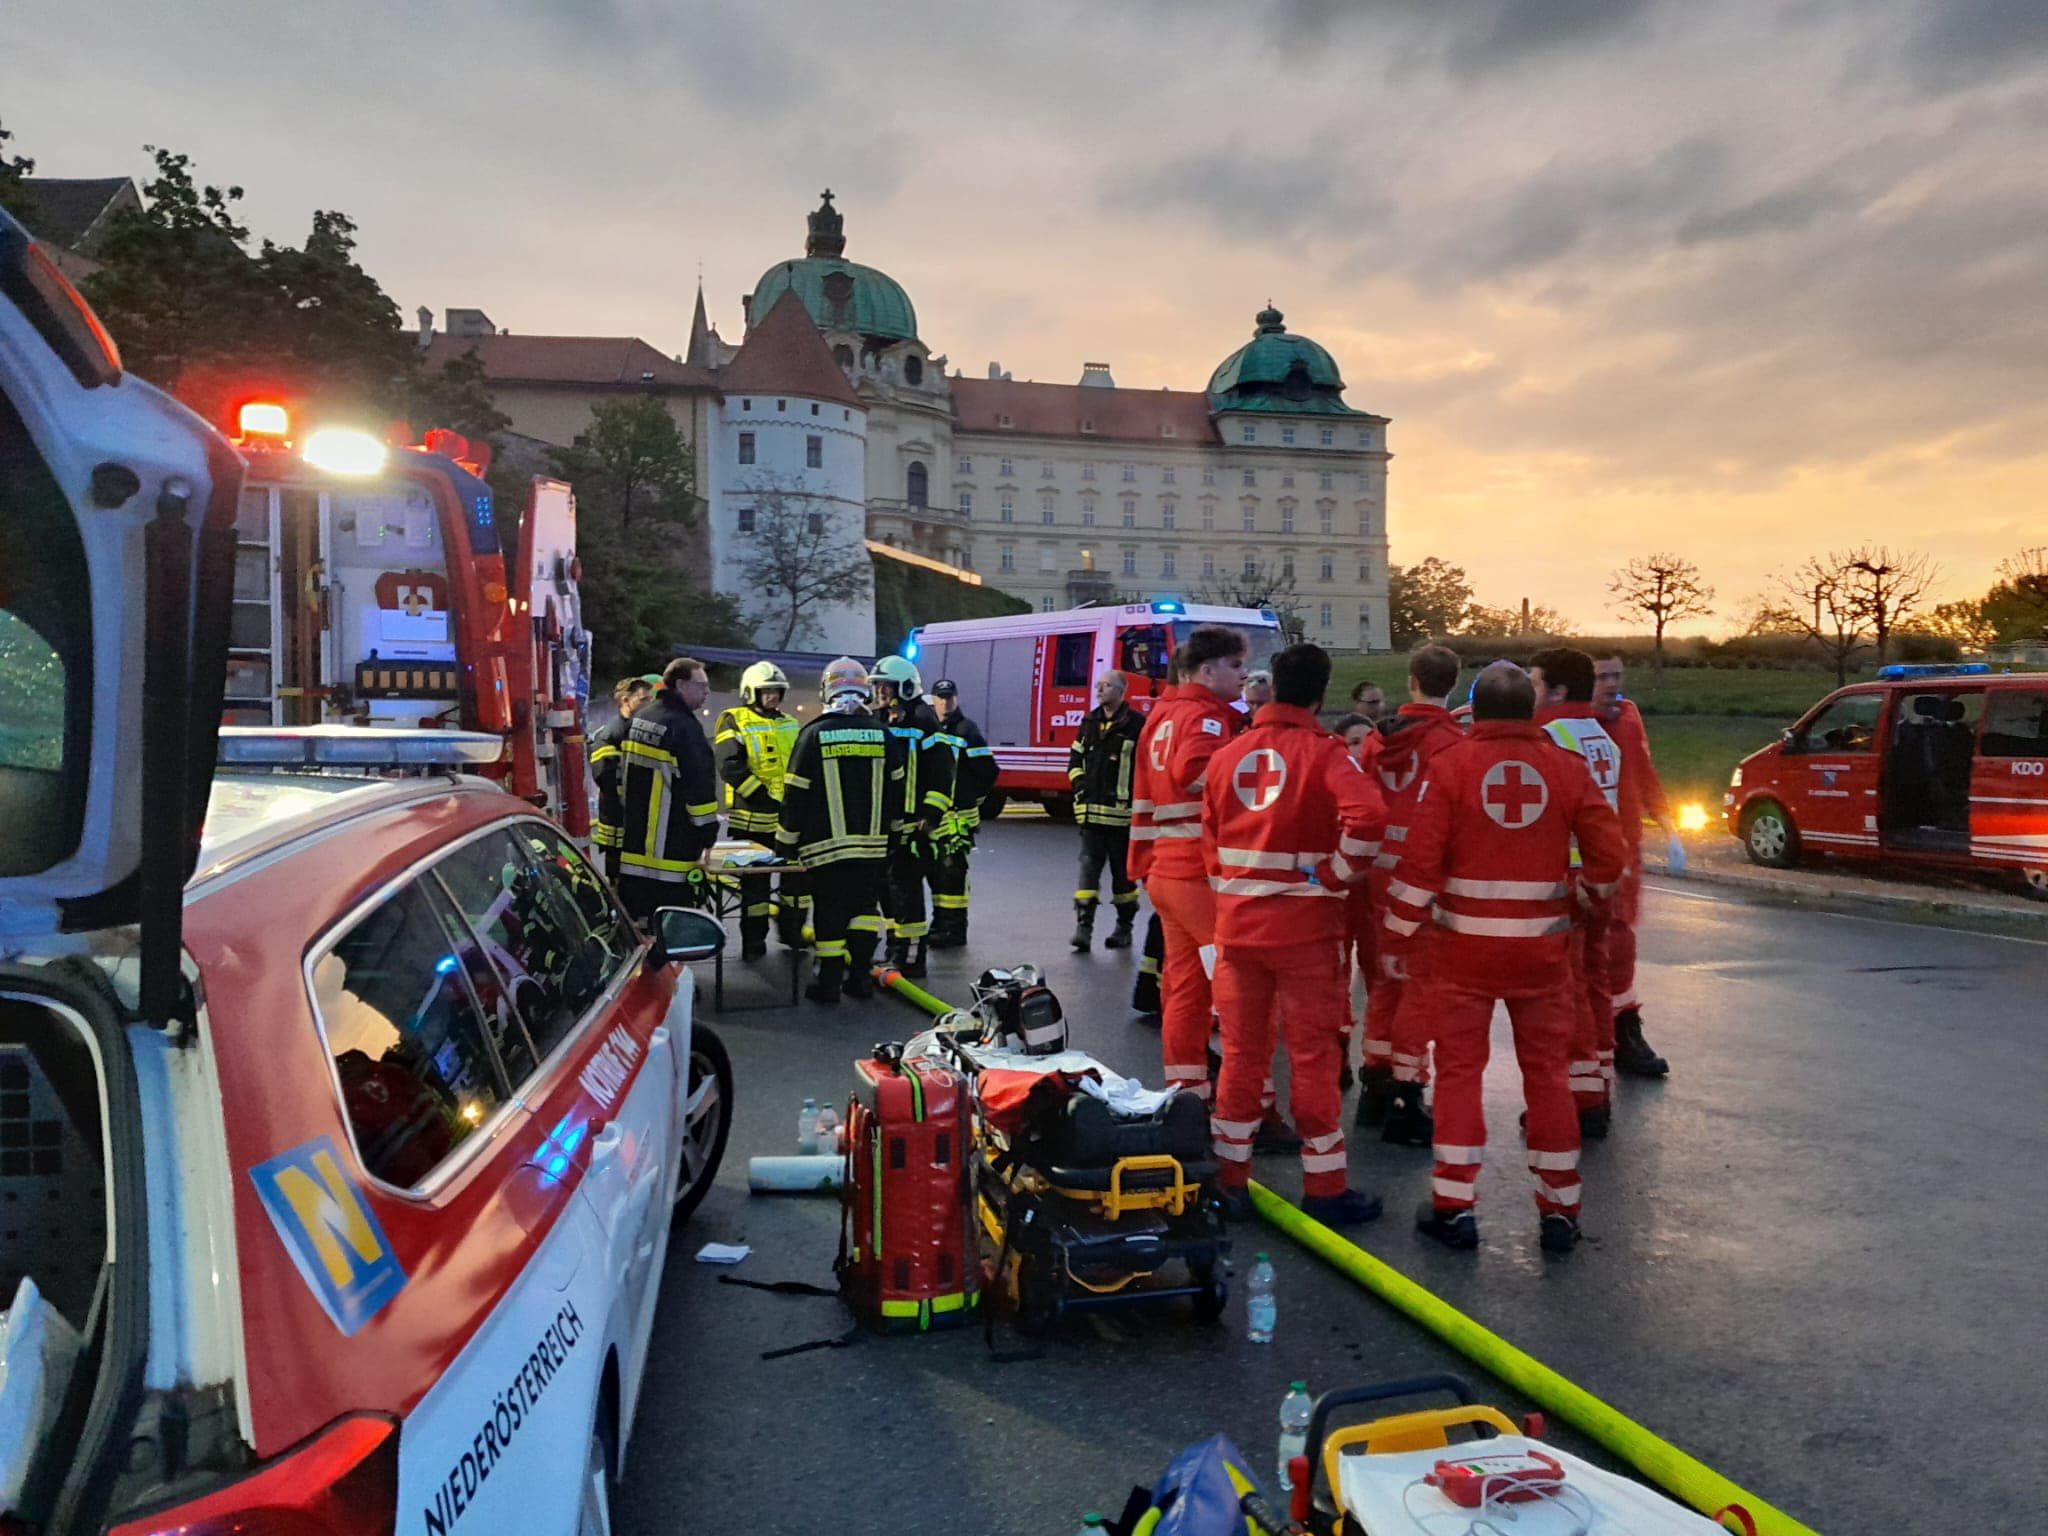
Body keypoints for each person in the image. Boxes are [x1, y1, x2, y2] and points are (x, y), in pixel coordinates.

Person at [1380, 662, 1627, 1253]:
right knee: (1547, 1077)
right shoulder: (1563, 769)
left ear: (1477, 710)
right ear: (1530, 710)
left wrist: (1397, 937)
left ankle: (1454, 1206)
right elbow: (1609, 854)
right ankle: (1560, 1209)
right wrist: (1588, 897)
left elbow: (1419, 866)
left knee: (1462, 1073)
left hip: (1461, 954)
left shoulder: (1451, 767)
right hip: (1543, 955)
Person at [1204, 643, 1388, 1225]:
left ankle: (1229, 1179)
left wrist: (1232, 889)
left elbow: (1208, 841)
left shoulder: (1228, 755)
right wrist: (1335, 874)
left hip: (1238, 932)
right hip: (1306, 932)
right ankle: (1325, 1189)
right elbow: (1370, 818)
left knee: (1240, 1055)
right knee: (1312, 1056)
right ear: (1320, 693)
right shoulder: (1327, 755)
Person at [1129, 624, 1246, 1101]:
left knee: (1184, 988)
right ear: (1206, 671)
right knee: (1237, 988)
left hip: (1165, 870)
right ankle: (1249, 1102)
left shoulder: (1161, 715)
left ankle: (1185, 1090)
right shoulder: (1208, 717)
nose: (1243, 676)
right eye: (1236, 666)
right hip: (1198, 874)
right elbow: (1195, 771)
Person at [1360, 644, 1465, 1141]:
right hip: (1422, 881)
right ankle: (1407, 1091)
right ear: (1455, 684)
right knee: (1418, 990)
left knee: (1384, 982)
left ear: (1410, 681)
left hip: (1374, 877)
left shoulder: (1376, 740)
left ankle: (1374, 1085)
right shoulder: (1450, 744)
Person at [1529, 647, 1626, 1137]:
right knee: (1596, 980)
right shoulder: (1602, 739)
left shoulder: (1551, 737)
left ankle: (1581, 1097)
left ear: (1558, 690)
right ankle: (1601, 1077)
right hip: (1599, 879)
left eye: (1537, 683)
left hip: (1564, 881)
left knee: (1564, 992)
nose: (1533, 692)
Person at [778, 657, 901, 1005]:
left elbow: (795, 794)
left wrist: (785, 843)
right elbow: (896, 791)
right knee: (865, 910)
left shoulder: (813, 734)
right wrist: (894, 838)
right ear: (864, 690)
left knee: (829, 912)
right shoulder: (882, 734)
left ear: (826, 690)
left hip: (826, 848)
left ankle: (829, 984)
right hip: (873, 848)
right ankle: (860, 978)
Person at [1593, 655, 1675, 1076]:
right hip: (1583, 854)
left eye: (1615, 676)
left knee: (1621, 944)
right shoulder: (1562, 726)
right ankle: (1598, 1038)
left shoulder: (1626, 719)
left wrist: (1666, 821)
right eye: (1600, 676)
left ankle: (1624, 1029)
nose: (1610, 684)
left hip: (1625, 849)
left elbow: (1644, 772)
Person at [870, 654, 957, 980]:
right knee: (888, 890)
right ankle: (895, 949)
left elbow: (943, 772)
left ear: (903, 687)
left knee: (906, 890)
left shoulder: (923, 720)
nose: (879, 692)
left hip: (914, 825)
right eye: (877, 686)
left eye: (885, 686)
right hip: (887, 823)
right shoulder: (880, 719)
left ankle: (913, 957)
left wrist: (930, 815)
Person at [617, 657, 719, 924]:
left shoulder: (642, 717)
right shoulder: (685, 728)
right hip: (672, 853)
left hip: (635, 850)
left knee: (638, 928)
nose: (707, 692)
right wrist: (708, 832)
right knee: (671, 931)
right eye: (702, 686)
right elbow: (699, 788)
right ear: (681, 685)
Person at [713, 661, 802, 959]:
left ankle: (794, 935)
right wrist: (764, 798)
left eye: (777, 691)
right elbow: (730, 766)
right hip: (751, 821)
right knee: (755, 890)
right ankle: (754, 943)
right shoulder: (733, 720)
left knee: (796, 884)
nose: (773, 696)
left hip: (789, 820)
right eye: (766, 691)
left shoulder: (790, 722)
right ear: (751, 692)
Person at [1068, 669, 1145, 951]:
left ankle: (1123, 929)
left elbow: (1144, 769)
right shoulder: (1089, 721)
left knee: (1123, 878)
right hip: (1090, 816)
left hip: (1122, 818)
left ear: (1121, 691)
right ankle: (1083, 930)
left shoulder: (1136, 725)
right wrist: (1079, 786)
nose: (1099, 690)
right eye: (1098, 685)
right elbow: (1075, 758)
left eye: (1106, 685)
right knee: (1087, 874)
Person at [927, 679, 996, 949]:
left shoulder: (968, 730)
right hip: (937, 816)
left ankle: (955, 930)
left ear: (957, 699)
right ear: (933, 700)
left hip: (958, 818)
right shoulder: (931, 728)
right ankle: (940, 923)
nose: (946, 702)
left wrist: (971, 799)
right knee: (936, 875)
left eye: (950, 697)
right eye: (941, 697)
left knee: (953, 875)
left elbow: (988, 771)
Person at [588, 674, 655, 882]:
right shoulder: (610, 734)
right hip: (618, 821)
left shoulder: (640, 730)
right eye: (643, 700)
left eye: (650, 701)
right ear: (625, 700)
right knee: (619, 876)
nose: (648, 705)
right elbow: (605, 778)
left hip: (635, 820)